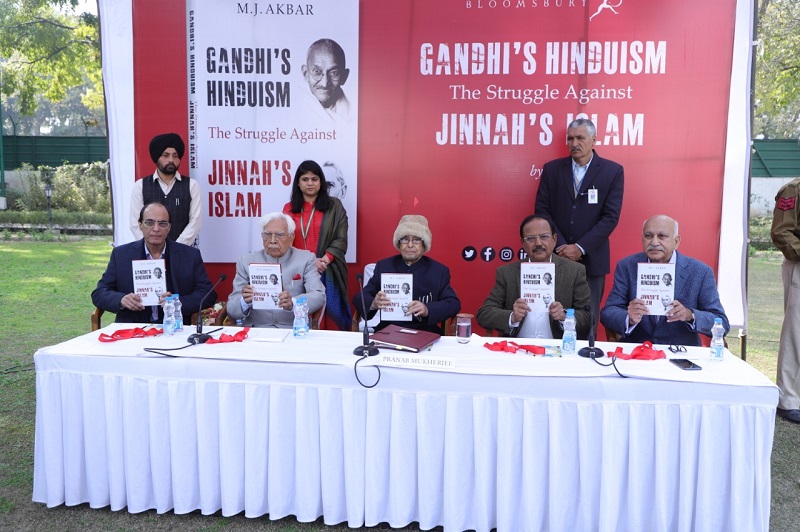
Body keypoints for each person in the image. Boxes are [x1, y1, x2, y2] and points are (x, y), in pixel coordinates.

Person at [535, 118, 624, 330]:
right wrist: (561, 247)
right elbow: (542, 212)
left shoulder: (612, 171)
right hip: (556, 257)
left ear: (594, 140)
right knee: (553, 314)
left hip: (593, 259)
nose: (574, 143)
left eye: (580, 138)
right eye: (570, 138)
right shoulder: (552, 170)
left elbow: (610, 217)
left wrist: (580, 248)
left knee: (588, 318)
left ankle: (586, 355)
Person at [600, 214, 729, 346]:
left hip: (681, 353)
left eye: (662, 236)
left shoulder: (700, 272)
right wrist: (628, 318)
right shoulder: (627, 266)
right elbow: (608, 313)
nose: (654, 242)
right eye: (648, 236)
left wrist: (690, 315)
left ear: (676, 241)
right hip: (637, 351)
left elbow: (722, 322)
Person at [93, 202, 215, 323]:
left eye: (162, 223)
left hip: (175, 329)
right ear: (140, 225)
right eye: (149, 223)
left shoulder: (189, 255)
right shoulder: (121, 255)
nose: (156, 229)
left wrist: (178, 303)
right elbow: (99, 293)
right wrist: (121, 299)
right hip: (133, 330)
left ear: (169, 228)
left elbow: (208, 294)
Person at [476, 215, 591, 338]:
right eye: (530, 239)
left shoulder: (574, 271)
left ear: (554, 239)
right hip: (516, 349)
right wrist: (512, 317)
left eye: (544, 237)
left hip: (558, 349)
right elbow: (484, 314)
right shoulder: (507, 272)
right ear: (523, 243)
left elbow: (587, 317)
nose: (538, 243)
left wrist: (564, 316)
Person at [353, 215, 460, 334]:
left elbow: (453, 303)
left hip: (425, 332)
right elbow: (361, 297)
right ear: (398, 244)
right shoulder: (384, 266)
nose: (410, 245)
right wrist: (373, 303)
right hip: (388, 331)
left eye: (416, 240)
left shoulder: (439, 271)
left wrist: (427, 309)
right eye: (405, 239)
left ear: (424, 245)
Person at [282, 160, 351, 330]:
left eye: (314, 179)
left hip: (328, 269)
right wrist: (310, 263)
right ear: (298, 183)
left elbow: (341, 238)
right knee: (301, 317)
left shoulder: (334, 206)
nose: (310, 183)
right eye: (305, 179)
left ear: (321, 182)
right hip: (298, 271)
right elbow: (285, 240)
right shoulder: (289, 209)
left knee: (331, 320)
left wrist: (325, 260)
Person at [227, 212, 325, 328]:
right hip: (256, 330)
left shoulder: (306, 259)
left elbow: (318, 295)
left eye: (279, 235)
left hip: (293, 328)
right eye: (267, 234)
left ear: (291, 237)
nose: (272, 240)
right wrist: (244, 301)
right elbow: (232, 309)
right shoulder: (246, 261)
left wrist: (293, 303)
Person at [130, 133, 201, 246]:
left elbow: (195, 222)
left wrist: (176, 248)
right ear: (156, 157)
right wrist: (151, 247)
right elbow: (135, 223)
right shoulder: (140, 186)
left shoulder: (192, 185)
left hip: (183, 251)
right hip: (149, 255)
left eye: (175, 156)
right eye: (166, 155)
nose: (171, 160)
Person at [771, 177, 800, 424]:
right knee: (796, 332)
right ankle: (788, 399)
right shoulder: (794, 189)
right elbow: (781, 231)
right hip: (799, 265)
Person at [301, 39, 351, 123]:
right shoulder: (295, 106)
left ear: (344, 77)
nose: (324, 84)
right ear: (306, 73)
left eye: (334, 73)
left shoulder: (353, 114)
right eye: (317, 72)